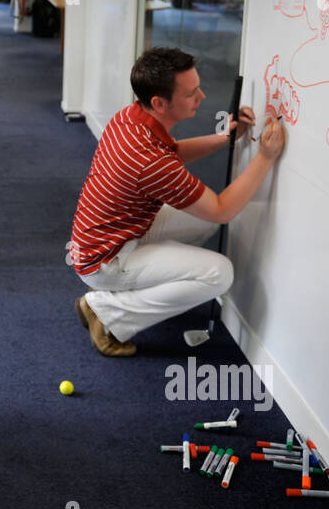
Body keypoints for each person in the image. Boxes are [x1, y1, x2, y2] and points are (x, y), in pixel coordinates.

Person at [69, 47, 286, 356]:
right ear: (159, 102)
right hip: (104, 259)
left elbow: (171, 154)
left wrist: (223, 138)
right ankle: (105, 311)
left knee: (202, 215)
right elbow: (223, 210)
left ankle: (132, 290)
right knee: (218, 273)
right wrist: (265, 157)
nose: (202, 96)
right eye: (191, 93)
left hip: (109, 235)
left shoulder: (131, 117)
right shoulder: (149, 161)